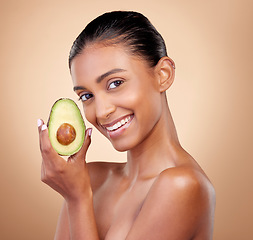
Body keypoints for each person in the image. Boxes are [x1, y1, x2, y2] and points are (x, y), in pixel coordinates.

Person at [38, 11, 215, 240]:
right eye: (86, 96)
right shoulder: (92, 178)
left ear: (163, 75)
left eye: (115, 83)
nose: (102, 112)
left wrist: (78, 200)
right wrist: (79, 193)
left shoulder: (184, 186)